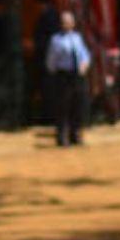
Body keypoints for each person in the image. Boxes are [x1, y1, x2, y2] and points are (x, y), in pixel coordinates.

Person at [45, 11, 91, 147]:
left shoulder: (77, 38)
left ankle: (75, 134)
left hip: (77, 75)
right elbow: (51, 60)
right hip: (63, 75)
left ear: (73, 23)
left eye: (69, 21)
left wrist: (84, 65)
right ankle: (61, 136)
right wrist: (54, 72)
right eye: (64, 22)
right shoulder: (56, 40)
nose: (67, 24)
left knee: (78, 104)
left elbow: (85, 54)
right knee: (63, 106)